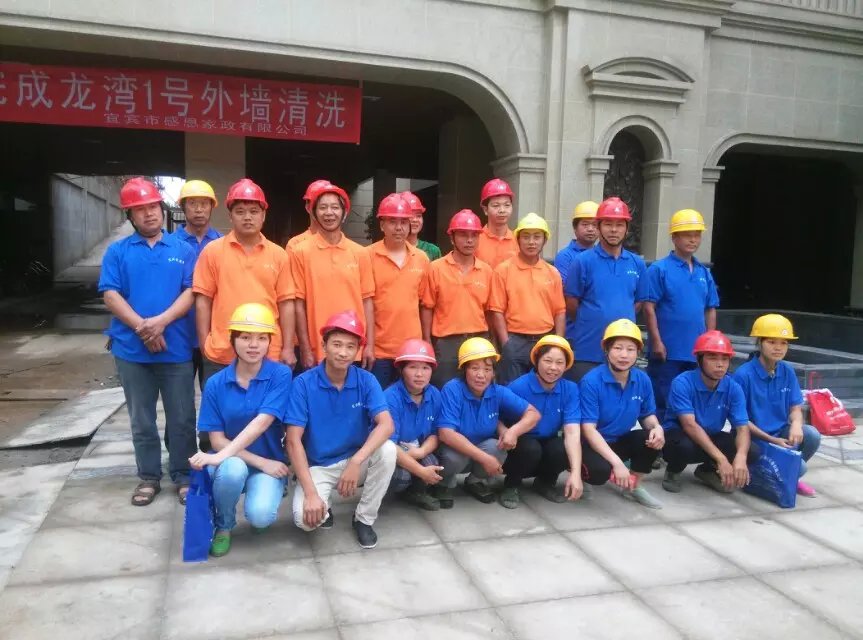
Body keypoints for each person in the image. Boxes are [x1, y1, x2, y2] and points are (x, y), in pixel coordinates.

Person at [99, 177, 197, 507]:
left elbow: (191, 292)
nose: (149, 213)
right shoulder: (118, 252)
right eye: (140, 209)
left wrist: (161, 322)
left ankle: (183, 474)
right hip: (132, 351)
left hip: (176, 349)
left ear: (162, 209)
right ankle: (149, 477)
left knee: (182, 418)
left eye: (153, 206)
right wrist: (143, 328)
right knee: (142, 420)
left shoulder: (183, 250)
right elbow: (110, 295)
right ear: (130, 215)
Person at [186, 303, 293, 557]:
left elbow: (263, 422)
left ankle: (267, 494)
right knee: (233, 470)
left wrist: (261, 464)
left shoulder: (280, 375)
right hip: (232, 463)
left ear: (269, 342)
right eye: (245, 337)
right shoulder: (216, 383)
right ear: (233, 340)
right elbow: (217, 440)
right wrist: (240, 459)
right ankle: (223, 525)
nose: (253, 345)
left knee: (261, 516)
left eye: (261, 338)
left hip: (266, 463)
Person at [285, 311, 397, 549]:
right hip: (319, 465)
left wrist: (356, 461)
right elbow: (293, 441)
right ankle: (321, 500)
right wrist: (311, 495)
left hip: (355, 460)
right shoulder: (303, 384)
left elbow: (386, 424)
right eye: (336, 344)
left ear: (358, 351)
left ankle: (364, 519)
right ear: (324, 345)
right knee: (306, 520)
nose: (343, 352)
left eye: (350, 346)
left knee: (388, 450)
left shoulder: (366, 380)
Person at [193, 178, 296, 388]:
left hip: (269, 353)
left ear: (264, 215)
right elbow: (203, 300)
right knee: (221, 408)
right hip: (222, 353)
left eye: (254, 211)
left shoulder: (279, 255)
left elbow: (286, 303)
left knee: (267, 408)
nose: (247, 217)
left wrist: (287, 347)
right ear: (230, 216)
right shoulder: (213, 252)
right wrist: (205, 343)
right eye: (240, 211)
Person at [434, 338, 540, 508]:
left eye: (487, 369)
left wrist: (512, 432)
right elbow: (446, 433)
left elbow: (533, 414)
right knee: (455, 457)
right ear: (464, 369)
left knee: (497, 447)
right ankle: (444, 484)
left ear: (493, 373)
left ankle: (475, 481)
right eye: (474, 368)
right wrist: (485, 459)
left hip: (480, 445)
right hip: (454, 449)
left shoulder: (497, 391)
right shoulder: (453, 389)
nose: (481, 375)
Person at [579, 320, 665, 509]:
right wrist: (617, 464)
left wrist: (657, 428)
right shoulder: (591, 381)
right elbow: (589, 430)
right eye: (618, 348)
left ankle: (634, 486)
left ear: (638, 352)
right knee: (599, 472)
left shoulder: (642, 379)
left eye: (630, 349)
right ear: (607, 350)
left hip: (619, 440)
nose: (624, 355)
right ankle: (579, 473)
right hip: (591, 444)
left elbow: (647, 415)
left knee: (651, 438)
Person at [644, 209, 719, 420]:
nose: (693, 240)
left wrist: (710, 344)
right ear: (674, 237)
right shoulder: (659, 269)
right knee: (663, 402)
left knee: (692, 403)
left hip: (696, 352)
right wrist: (656, 341)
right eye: (687, 235)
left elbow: (710, 308)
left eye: (697, 235)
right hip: (667, 352)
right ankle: (661, 439)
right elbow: (649, 307)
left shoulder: (704, 272)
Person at [734, 314, 820, 497]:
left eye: (784, 343)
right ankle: (780, 475)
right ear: (759, 342)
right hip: (754, 439)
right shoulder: (743, 375)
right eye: (771, 342)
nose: (778, 348)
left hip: (780, 433)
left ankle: (789, 477)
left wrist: (796, 424)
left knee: (811, 435)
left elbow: (795, 407)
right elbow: (740, 421)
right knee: (800, 467)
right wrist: (772, 440)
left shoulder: (787, 370)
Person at [291, 182, 375, 370]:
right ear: (313, 212)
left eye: (335, 207)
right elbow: (298, 304)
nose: (329, 213)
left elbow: (367, 301)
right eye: (323, 207)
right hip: (317, 348)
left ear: (344, 213)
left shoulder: (360, 253)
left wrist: (369, 345)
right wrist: (305, 347)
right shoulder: (300, 252)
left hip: (353, 347)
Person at [564, 197, 647, 381]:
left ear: (627, 229)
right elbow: (571, 303)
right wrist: (592, 318)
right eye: (608, 224)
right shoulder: (582, 261)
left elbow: (639, 302)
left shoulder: (637, 263)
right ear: (599, 226)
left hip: (623, 352)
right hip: (588, 350)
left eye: (619, 225)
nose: (614, 230)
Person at [662, 330, 756, 494]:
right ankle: (673, 471)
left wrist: (741, 457)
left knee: (752, 451)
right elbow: (689, 425)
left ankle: (707, 470)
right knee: (683, 447)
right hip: (681, 435)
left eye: (725, 359)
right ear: (699, 360)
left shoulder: (733, 388)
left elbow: (742, 427)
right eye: (712, 358)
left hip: (710, 435)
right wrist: (722, 459)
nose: (720, 364)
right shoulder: (682, 383)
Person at [505, 335, 582, 506]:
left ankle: (545, 482)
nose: (553, 367)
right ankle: (511, 484)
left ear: (566, 365)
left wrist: (575, 473)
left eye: (560, 362)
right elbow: (499, 419)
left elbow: (572, 431)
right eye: (548, 361)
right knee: (530, 448)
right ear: (537, 360)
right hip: (520, 443)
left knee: (563, 447)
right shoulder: (518, 386)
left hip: (548, 439)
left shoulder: (570, 389)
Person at [489, 212, 565, 384]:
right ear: (518, 239)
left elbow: (559, 311)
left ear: (544, 240)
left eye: (537, 237)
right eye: (526, 237)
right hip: (515, 340)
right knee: (512, 391)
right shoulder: (503, 270)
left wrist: (558, 343)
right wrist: (506, 343)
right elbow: (497, 311)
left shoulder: (552, 273)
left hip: (545, 339)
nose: (531, 242)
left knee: (542, 389)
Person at [421, 209, 493, 387]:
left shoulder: (487, 271)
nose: (469, 240)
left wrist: (491, 342)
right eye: (463, 235)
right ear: (452, 238)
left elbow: (490, 311)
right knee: (444, 388)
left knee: (477, 390)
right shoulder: (436, 268)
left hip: (478, 339)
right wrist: (427, 341)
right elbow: (427, 307)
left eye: (474, 235)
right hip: (446, 343)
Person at [366, 194, 430, 387]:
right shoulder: (367, 256)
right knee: (378, 402)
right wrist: (368, 345)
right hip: (379, 351)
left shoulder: (421, 258)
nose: (399, 227)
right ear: (382, 225)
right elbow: (365, 304)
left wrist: (426, 342)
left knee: (410, 401)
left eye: (403, 222)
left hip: (412, 350)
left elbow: (424, 305)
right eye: (392, 222)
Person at [172, 180, 222, 391]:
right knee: (180, 401)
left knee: (213, 396)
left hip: (215, 336)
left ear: (212, 207)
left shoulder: (223, 244)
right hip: (180, 335)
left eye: (204, 203)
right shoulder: (171, 244)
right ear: (183, 207)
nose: (199, 209)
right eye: (192, 203)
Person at [386, 339, 445, 511]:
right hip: (393, 451)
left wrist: (421, 452)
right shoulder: (390, 397)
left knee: (433, 462)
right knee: (401, 477)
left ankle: (416, 492)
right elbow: (388, 445)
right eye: (413, 367)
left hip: (417, 449)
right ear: (401, 370)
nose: (419, 374)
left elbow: (435, 432)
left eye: (425, 368)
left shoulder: (434, 394)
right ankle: (390, 491)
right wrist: (421, 471)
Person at [476, 178, 518, 268]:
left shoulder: (518, 241)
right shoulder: (475, 240)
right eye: (496, 205)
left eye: (507, 205)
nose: (502, 210)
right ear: (485, 210)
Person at [554, 200, 598, 282]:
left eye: (595, 225)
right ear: (575, 228)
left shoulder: (603, 254)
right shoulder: (565, 256)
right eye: (585, 224)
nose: (590, 229)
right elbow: (567, 286)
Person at [287, 178, 330, 250]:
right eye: (322, 206)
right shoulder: (295, 244)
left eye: (333, 206)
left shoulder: (348, 246)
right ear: (308, 207)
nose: (328, 212)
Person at [402, 191, 442, 261]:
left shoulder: (432, 250)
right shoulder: (390, 249)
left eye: (418, 216)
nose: (415, 220)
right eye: (410, 216)